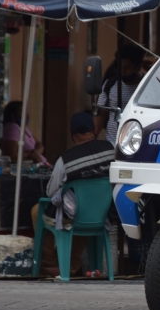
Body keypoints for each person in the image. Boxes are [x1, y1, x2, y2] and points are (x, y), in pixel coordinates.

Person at [31, 112, 114, 275]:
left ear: (70, 134)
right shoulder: (110, 150)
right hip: (104, 214)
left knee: (38, 211)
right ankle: (72, 264)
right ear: (95, 129)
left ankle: (52, 263)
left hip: (78, 214)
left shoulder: (66, 159)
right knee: (81, 209)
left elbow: (50, 192)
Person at [95, 45, 146, 145]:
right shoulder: (110, 84)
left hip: (137, 144)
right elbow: (101, 115)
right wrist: (93, 136)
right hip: (112, 143)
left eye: (127, 68)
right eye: (120, 67)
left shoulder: (147, 85)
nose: (123, 72)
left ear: (138, 67)